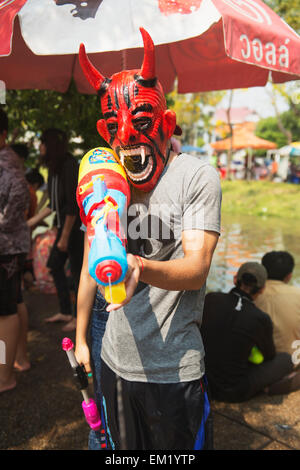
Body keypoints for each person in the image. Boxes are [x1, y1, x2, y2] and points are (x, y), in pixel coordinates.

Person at [75, 28, 222, 450]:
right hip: (114, 360)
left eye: (141, 122)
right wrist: (83, 336)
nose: (128, 137)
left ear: (166, 122)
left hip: (174, 370)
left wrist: (140, 266)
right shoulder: (105, 179)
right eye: (117, 127)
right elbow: (91, 261)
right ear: (106, 131)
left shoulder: (195, 176)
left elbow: (196, 271)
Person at [201, 262, 295, 403]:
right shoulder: (260, 318)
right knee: (286, 359)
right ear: (262, 289)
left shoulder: (211, 298)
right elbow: (269, 355)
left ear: (235, 279)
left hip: (202, 381)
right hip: (232, 391)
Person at [27, 129, 84, 332]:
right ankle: (66, 311)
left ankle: (78, 317)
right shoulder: (54, 168)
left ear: (50, 145)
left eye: (42, 143)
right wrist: (30, 222)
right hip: (64, 227)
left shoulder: (68, 166)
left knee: (78, 274)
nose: (40, 147)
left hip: (75, 228)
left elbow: (72, 205)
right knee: (55, 266)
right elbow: (53, 204)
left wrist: (65, 236)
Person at [0, 108, 31, 392]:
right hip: (10, 245)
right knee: (13, 303)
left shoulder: (6, 164)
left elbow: (18, 199)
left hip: (7, 248)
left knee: (6, 310)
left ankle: (5, 376)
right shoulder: (7, 160)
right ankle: (17, 359)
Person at [256, 251, 300, 359]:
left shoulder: (252, 294)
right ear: (289, 276)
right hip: (294, 362)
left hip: (258, 363)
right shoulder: (297, 294)